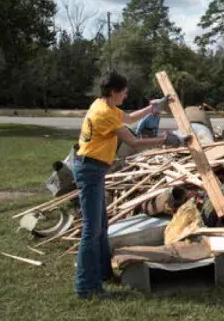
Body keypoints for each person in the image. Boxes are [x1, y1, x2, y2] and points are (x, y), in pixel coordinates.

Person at [72, 72, 189, 300]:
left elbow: (129, 118)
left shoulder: (103, 103)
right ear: (114, 92)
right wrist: (165, 139)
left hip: (92, 167)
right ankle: (86, 288)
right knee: (91, 230)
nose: (126, 94)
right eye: (124, 91)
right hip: (90, 170)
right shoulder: (104, 112)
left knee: (101, 227)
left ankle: (103, 274)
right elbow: (134, 141)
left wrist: (154, 108)